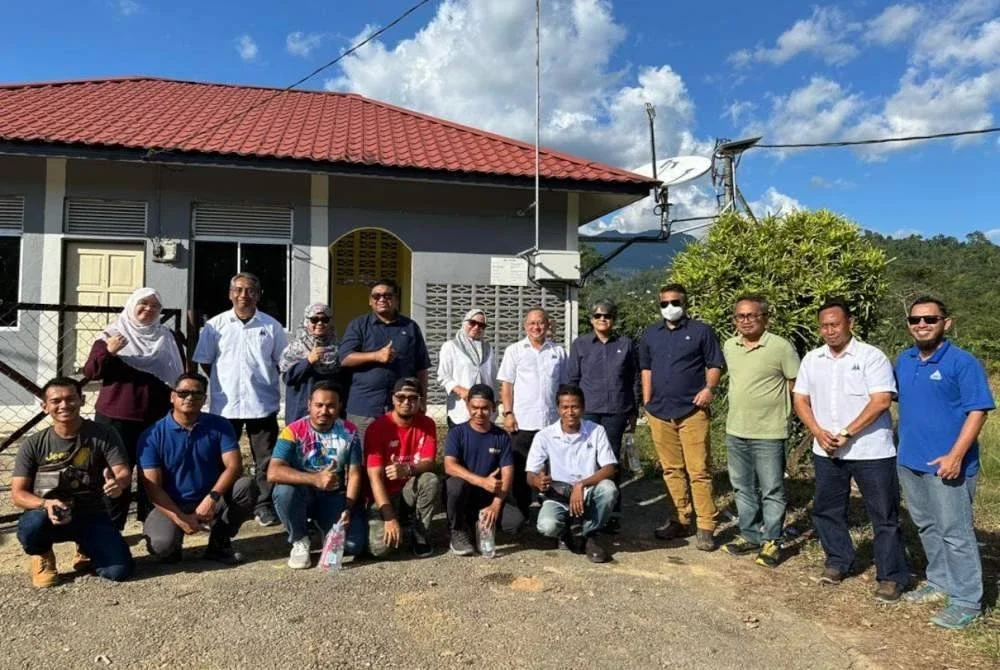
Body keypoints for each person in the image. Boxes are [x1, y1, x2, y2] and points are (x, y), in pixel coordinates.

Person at [793, 298, 908, 603]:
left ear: (850, 323)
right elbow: (800, 400)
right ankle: (837, 561)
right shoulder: (812, 359)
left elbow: (881, 400)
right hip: (827, 451)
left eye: (835, 324)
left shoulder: (872, 357)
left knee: (884, 515)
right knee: (827, 509)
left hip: (871, 452)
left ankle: (891, 576)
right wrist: (818, 432)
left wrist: (846, 433)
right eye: (824, 325)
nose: (829, 331)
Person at [894, 296, 994, 629]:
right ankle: (940, 583)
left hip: (948, 464)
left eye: (930, 319)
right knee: (927, 526)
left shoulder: (962, 362)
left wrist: (955, 455)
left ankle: (967, 600)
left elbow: (977, 411)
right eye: (915, 320)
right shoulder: (904, 360)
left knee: (955, 532)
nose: (921, 325)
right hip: (910, 461)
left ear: (945, 323)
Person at [11, 377, 134, 587]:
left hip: (90, 513)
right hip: (47, 515)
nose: (64, 405)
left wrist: (118, 483)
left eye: (70, 399)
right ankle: (42, 554)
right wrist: (45, 504)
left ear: (82, 400)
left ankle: (86, 547)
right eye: (56, 401)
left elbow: (122, 471)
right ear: (45, 406)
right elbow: (18, 495)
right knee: (32, 525)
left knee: (118, 571)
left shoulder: (103, 434)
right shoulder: (33, 444)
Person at [83, 287, 186, 529]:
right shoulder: (112, 335)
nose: (148, 309)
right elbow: (91, 371)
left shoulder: (168, 337)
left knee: (154, 473)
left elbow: (180, 375)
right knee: (114, 475)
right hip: (115, 419)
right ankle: (110, 531)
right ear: (131, 305)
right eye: (143, 303)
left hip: (156, 418)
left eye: (154, 306)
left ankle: (153, 526)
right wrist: (109, 351)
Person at [192, 272, 287, 527]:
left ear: (258, 295)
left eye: (250, 291)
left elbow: (282, 361)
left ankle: (264, 505)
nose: (244, 295)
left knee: (266, 459)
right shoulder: (215, 326)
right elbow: (204, 361)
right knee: (221, 459)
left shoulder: (271, 326)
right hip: (226, 406)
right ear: (230, 293)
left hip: (262, 404)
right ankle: (221, 503)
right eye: (239, 290)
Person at [138, 373, 258, 566]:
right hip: (172, 503)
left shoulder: (220, 425)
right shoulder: (152, 435)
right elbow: (153, 488)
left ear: (204, 399)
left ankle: (219, 544)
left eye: (197, 393)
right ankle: (173, 543)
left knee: (246, 486)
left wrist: (212, 498)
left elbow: (234, 466)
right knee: (161, 547)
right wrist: (180, 519)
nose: (190, 398)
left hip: (210, 499)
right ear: (172, 396)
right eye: (183, 392)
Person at [639, 283, 724, 551]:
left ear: (685, 303)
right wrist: (647, 401)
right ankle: (680, 518)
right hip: (660, 411)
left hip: (692, 411)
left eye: (674, 302)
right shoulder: (651, 333)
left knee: (699, 470)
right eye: (664, 303)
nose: (670, 308)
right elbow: (646, 369)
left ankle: (706, 526)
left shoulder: (701, 331)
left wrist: (709, 389)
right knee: (671, 469)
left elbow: (714, 364)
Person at [721, 294, 800, 567]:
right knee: (742, 488)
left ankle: (773, 540)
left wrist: (797, 418)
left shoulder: (780, 347)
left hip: (769, 432)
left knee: (771, 489)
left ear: (765, 318)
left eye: (751, 315)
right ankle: (751, 535)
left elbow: (795, 385)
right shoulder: (730, 346)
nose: (745, 321)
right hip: (736, 430)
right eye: (740, 316)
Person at [268, 382, 367, 569]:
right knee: (283, 491)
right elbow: (273, 472)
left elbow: (354, 473)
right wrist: (314, 479)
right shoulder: (293, 431)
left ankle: (324, 527)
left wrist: (348, 506)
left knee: (353, 546)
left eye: (331, 406)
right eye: (319, 405)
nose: (324, 410)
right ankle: (300, 539)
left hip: (332, 495)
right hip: (301, 493)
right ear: (309, 405)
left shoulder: (349, 432)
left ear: (340, 406)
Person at [567, 298, 639, 531]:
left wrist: (634, 410)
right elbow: (572, 379)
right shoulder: (580, 344)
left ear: (613, 319)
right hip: (588, 411)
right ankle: (582, 508)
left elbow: (633, 378)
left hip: (616, 410)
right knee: (584, 460)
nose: (602, 319)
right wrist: (570, 409)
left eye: (606, 316)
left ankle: (611, 512)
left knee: (610, 461)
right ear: (591, 320)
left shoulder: (626, 344)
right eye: (598, 316)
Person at [525, 384, 618, 563]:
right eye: (565, 407)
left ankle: (589, 534)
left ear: (582, 408)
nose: (570, 412)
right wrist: (538, 481)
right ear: (558, 409)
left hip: (587, 490)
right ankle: (566, 532)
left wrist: (581, 484)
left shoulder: (596, 431)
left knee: (608, 489)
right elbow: (530, 473)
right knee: (547, 526)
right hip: (558, 493)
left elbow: (609, 468)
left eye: (574, 406)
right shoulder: (544, 436)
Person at [339, 279, 432, 443]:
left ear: (395, 299)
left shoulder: (410, 327)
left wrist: (422, 400)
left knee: (397, 456)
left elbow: (421, 368)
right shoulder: (359, 325)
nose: (381, 299)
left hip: (402, 406)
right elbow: (344, 358)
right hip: (365, 406)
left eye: (387, 295)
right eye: (376, 296)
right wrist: (375, 356)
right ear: (370, 301)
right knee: (361, 458)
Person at [497, 307, 568, 517]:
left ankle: (554, 511)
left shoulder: (559, 352)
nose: (536, 327)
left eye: (540, 323)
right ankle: (521, 512)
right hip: (523, 423)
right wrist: (508, 414)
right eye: (532, 323)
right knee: (520, 469)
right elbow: (507, 386)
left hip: (552, 424)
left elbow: (564, 387)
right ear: (525, 326)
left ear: (548, 325)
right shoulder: (514, 351)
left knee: (554, 470)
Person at [443, 384, 524, 555]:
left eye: (485, 408)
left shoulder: (501, 436)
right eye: (475, 408)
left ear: (494, 407)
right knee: (455, 485)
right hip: (465, 493)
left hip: (489, 495)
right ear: (467, 406)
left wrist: (496, 505)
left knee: (514, 523)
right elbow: (449, 466)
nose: (479, 413)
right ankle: (458, 530)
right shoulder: (457, 433)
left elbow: (508, 473)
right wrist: (481, 481)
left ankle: (479, 524)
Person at [365, 377, 441, 559]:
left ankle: (420, 534)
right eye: (401, 397)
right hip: (384, 494)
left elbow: (429, 462)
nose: (406, 402)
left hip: (408, 490)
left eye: (413, 398)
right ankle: (398, 522)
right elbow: (374, 477)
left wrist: (407, 469)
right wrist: (389, 516)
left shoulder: (427, 424)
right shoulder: (377, 428)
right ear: (392, 398)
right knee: (379, 550)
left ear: (420, 401)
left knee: (430, 479)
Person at [280, 302, 343, 425]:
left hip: (329, 415)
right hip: (300, 414)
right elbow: (288, 378)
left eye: (325, 319)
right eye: (314, 319)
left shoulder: (338, 348)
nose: (320, 323)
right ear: (306, 321)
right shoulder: (295, 348)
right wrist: (308, 361)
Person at [437, 308, 497, 429]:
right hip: (461, 410)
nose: (476, 327)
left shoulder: (489, 349)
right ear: (465, 322)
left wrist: (495, 402)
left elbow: (493, 379)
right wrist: (462, 391)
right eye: (472, 323)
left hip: (484, 411)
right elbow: (443, 376)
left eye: (481, 325)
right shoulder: (451, 346)